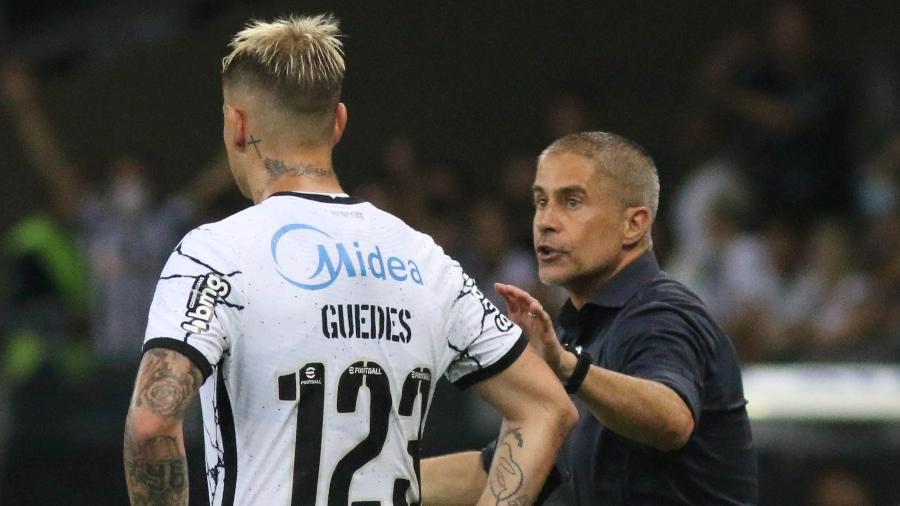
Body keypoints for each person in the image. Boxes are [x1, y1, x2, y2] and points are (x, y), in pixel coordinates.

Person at [123, 14, 577, 506]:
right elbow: (547, 409)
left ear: (237, 124)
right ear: (338, 123)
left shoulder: (214, 255)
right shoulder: (425, 260)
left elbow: (151, 426)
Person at [422, 131, 758, 505]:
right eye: (541, 201)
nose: (546, 221)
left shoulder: (663, 312)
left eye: (572, 202)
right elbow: (501, 470)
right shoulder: (572, 333)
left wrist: (569, 368)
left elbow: (673, 420)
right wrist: (370, 479)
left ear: (634, 224)